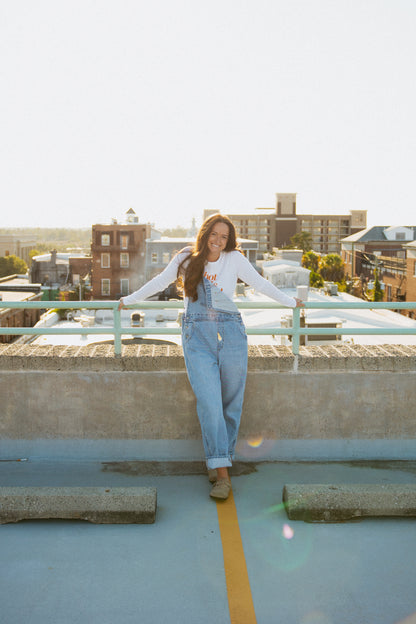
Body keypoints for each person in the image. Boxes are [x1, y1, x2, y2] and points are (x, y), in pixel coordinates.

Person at [118, 214, 303, 500]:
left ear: (229, 240)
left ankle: (217, 462)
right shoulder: (185, 259)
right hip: (197, 336)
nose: (218, 241)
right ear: (204, 234)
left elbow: (261, 284)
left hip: (231, 332)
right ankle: (224, 478)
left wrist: (292, 302)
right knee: (210, 403)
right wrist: (127, 301)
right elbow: (159, 281)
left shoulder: (235, 259)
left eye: (224, 236)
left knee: (231, 403)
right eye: (214, 234)